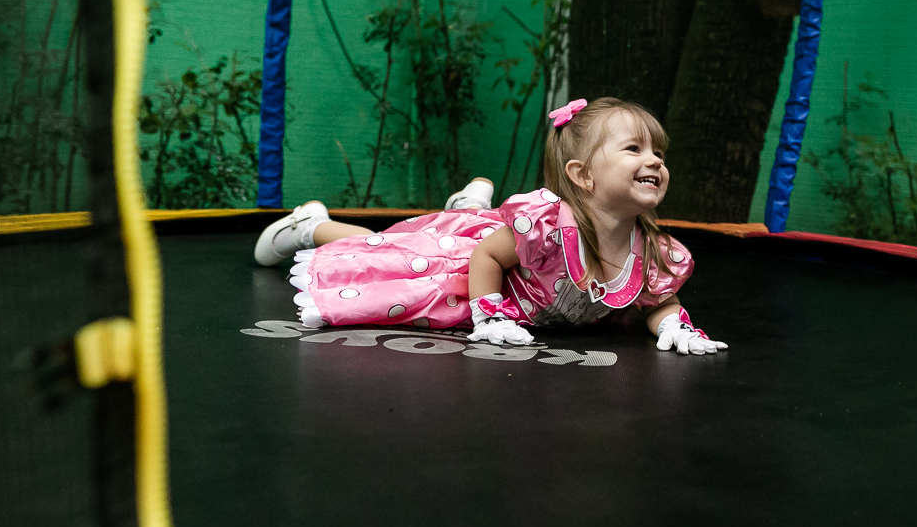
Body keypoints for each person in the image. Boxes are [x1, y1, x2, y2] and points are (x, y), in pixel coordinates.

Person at [253, 97, 727, 355]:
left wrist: (675, 325)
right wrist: (489, 314)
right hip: (476, 266)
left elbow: (660, 299)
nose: (654, 161)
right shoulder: (547, 225)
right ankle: (312, 224)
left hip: (504, 252)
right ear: (582, 176)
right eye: (634, 150)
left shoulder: (655, 251)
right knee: (391, 248)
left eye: (659, 152)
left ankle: (467, 204)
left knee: (455, 226)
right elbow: (487, 257)